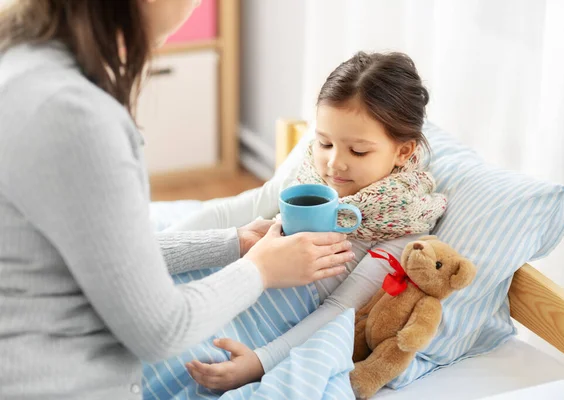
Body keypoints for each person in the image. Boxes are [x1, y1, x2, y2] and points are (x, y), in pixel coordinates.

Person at [0, 1, 354, 399]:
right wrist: (260, 270)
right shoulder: (72, 117)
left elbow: (108, 255)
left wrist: (233, 242)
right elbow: (160, 330)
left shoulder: (23, 63)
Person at [182, 51, 447, 390]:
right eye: (324, 142)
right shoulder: (309, 172)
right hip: (223, 277)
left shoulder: (400, 233)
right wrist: (154, 250)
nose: (334, 163)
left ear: (403, 152)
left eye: (358, 151)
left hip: (255, 321)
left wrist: (259, 363)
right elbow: (237, 208)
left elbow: (337, 310)